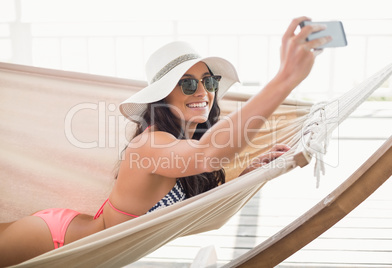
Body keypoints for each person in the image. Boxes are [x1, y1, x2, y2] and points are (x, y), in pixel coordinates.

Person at [0, 16, 330, 266]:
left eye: (208, 81)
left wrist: (249, 173)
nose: (203, 92)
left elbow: (206, 203)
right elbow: (207, 155)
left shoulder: (179, 144)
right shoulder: (151, 145)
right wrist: (286, 78)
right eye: (187, 85)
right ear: (163, 97)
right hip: (56, 239)